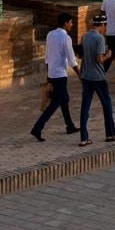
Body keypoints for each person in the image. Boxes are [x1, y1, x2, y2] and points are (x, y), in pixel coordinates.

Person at [30, 13, 79, 141]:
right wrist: (80, 74)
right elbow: (72, 59)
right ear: (65, 23)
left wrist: (48, 72)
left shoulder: (50, 34)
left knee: (64, 100)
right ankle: (37, 128)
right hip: (60, 74)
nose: (71, 25)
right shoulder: (65, 38)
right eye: (70, 22)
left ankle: (70, 125)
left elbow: (47, 56)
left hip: (52, 72)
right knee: (55, 103)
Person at [77, 14, 115, 145]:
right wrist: (107, 55)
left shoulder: (85, 36)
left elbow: (80, 55)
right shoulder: (99, 39)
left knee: (85, 106)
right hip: (98, 76)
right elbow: (99, 59)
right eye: (104, 26)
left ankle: (84, 138)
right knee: (106, 104)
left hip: (86, 75)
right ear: (102, 25)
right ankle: (110, 133)